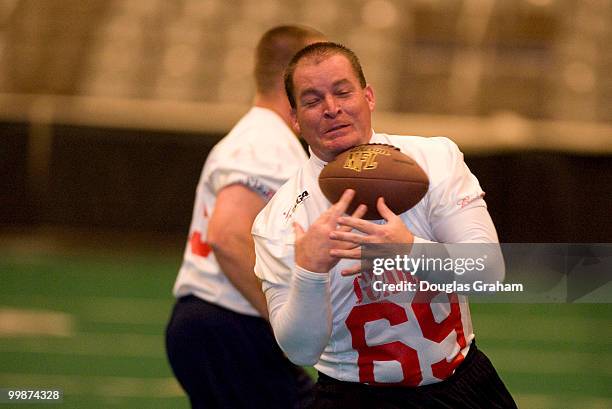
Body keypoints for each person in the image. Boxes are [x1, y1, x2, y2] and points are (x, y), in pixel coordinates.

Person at [252, 42, 518, 408]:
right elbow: (299, 349)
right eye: (313, 101)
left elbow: (488, 272)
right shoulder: (282, 217)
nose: (332, 109)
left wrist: (409, 249)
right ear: (295, 119)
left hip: (462, 382)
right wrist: (309, 271)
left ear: (369, 96)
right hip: (357, 396)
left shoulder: (434, 159)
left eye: (343, 92)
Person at [165, 25, 325, 409]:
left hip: (219, 324)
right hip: (228, 322)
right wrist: (284, 320)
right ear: (293, 75)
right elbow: (227, 236)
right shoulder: (264, 142)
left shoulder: (259, 136)